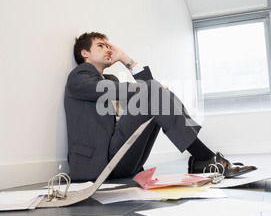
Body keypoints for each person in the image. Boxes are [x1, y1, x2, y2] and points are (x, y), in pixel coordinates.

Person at [64, 32, 256, 182]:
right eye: (100, 45)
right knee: (154, 91)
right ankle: (204, 157)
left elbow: (150, 90)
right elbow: (147, 89)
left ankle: (202, 159)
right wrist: (150, 88)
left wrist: (124, 58)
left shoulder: (111, 79)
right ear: (85, 53)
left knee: (160, 94)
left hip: (122, 160)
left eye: (108, 46)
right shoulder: (77, 78)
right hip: (98, 165)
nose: (107, 49)